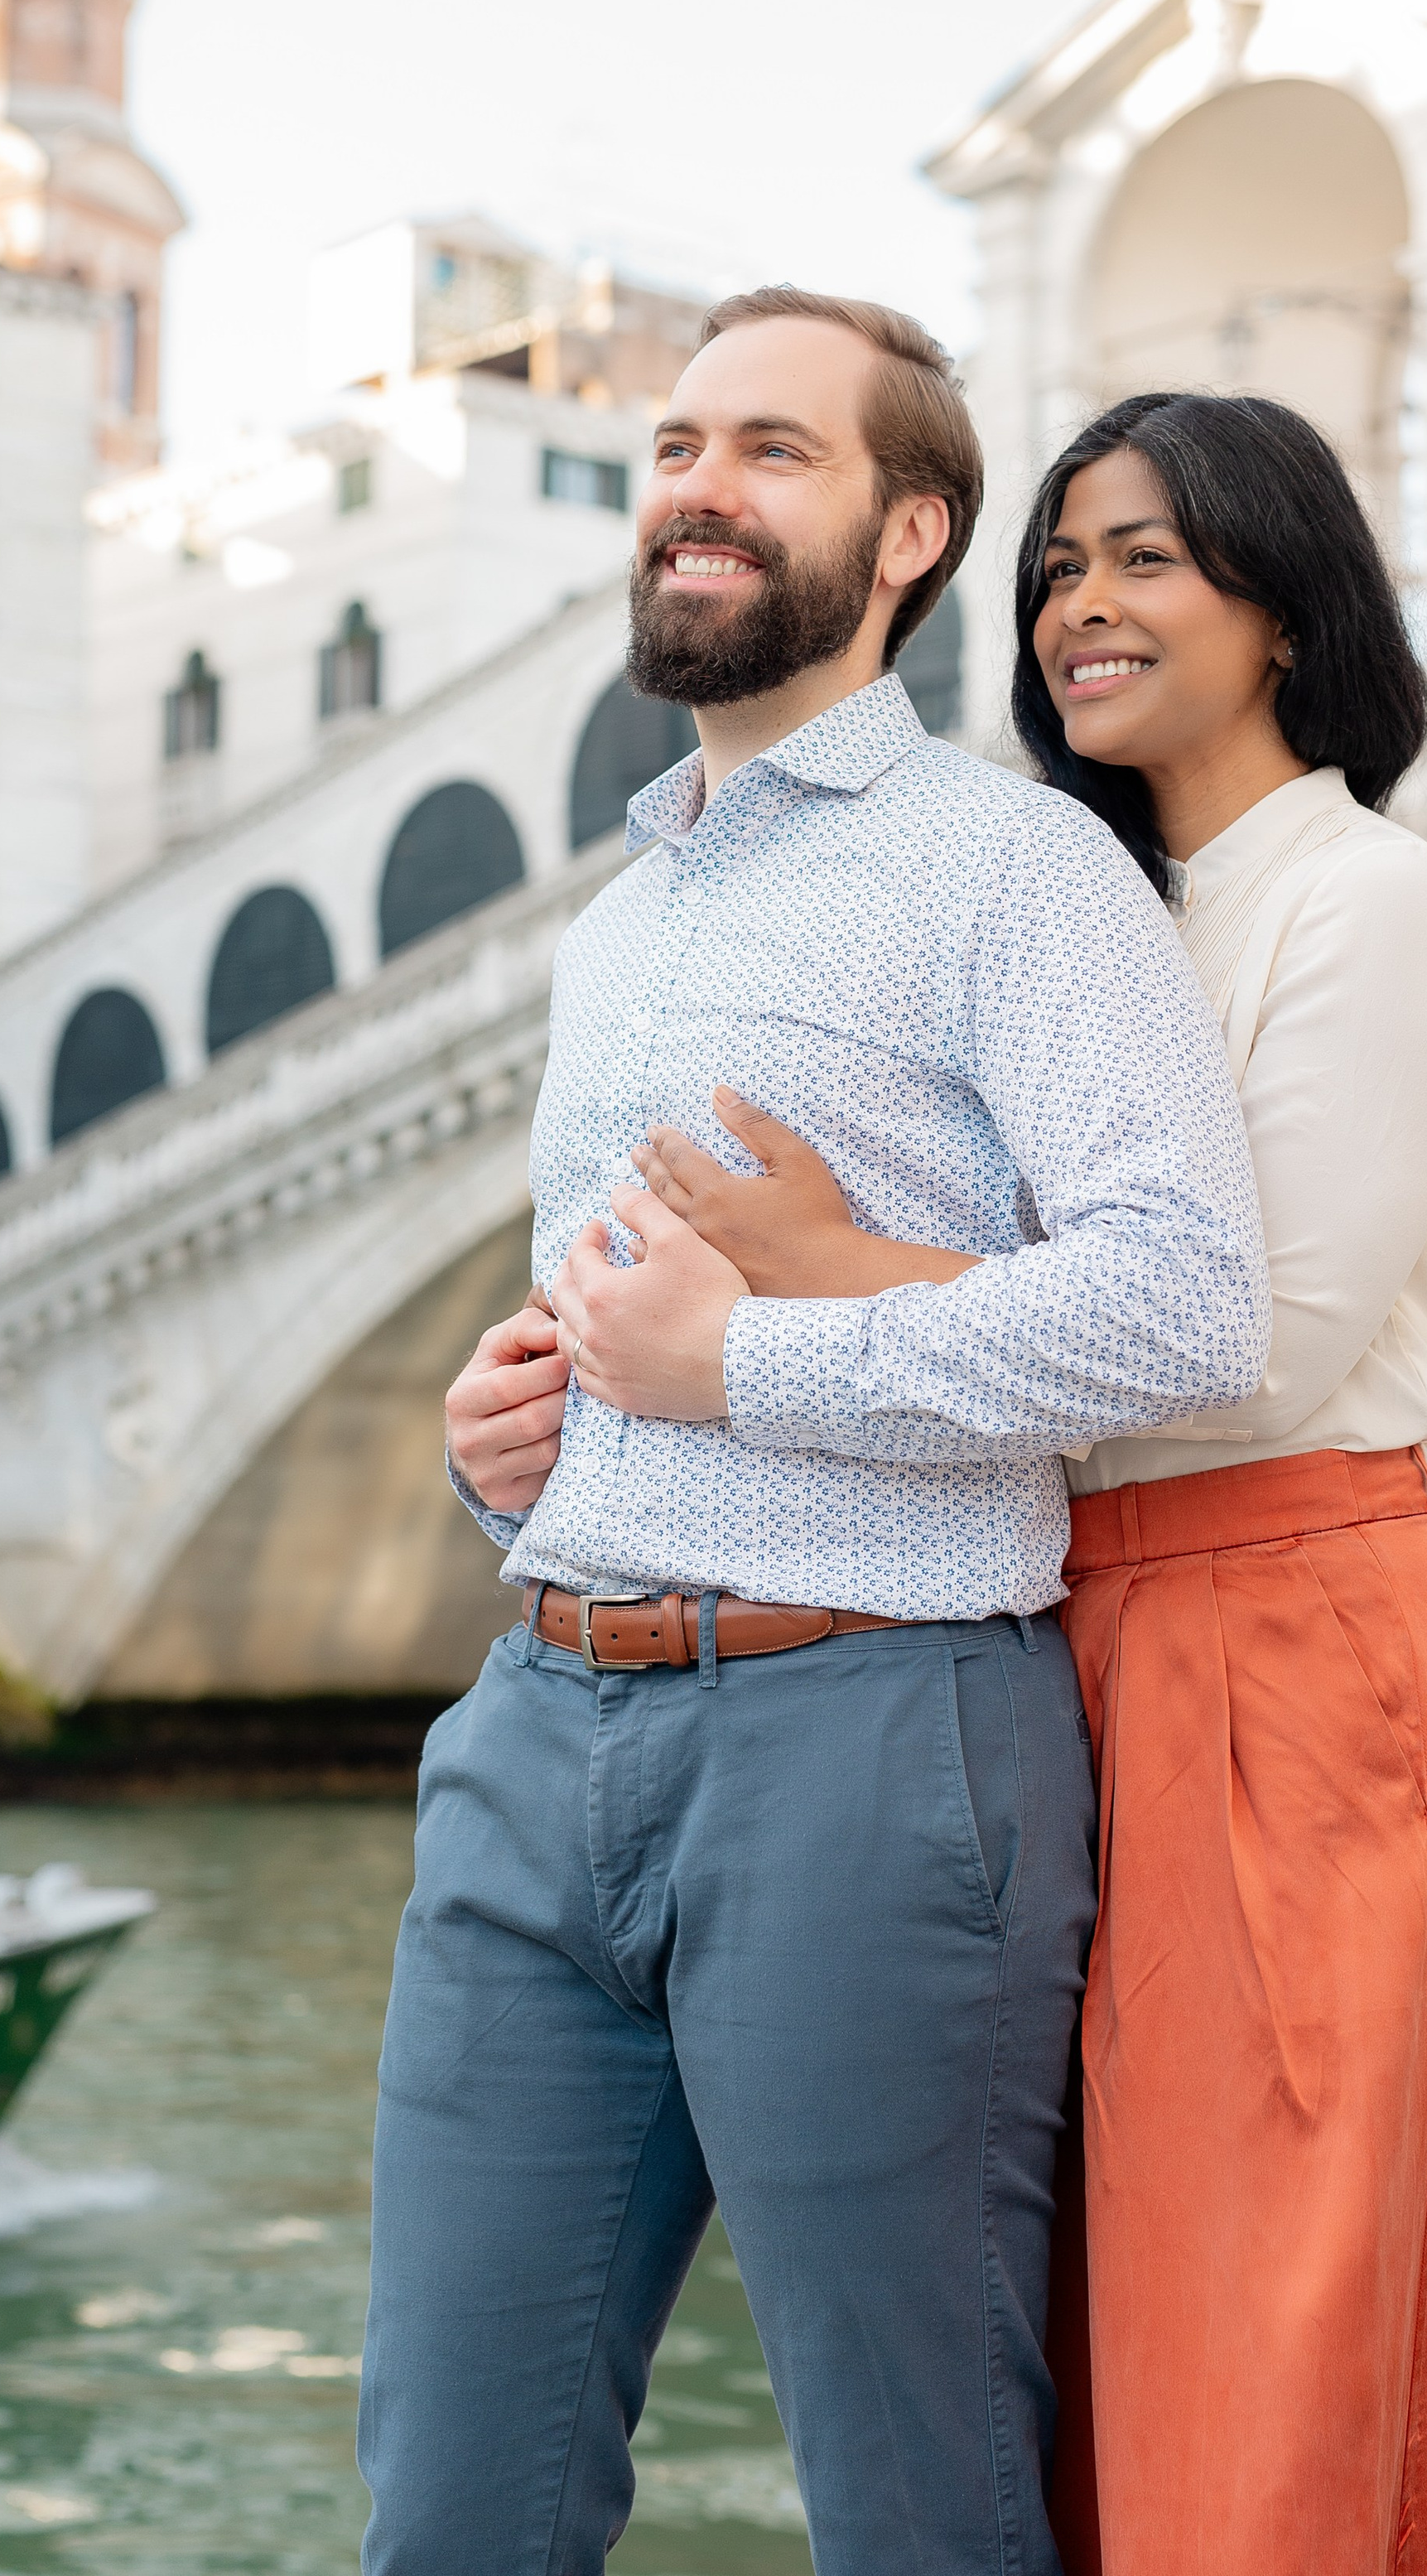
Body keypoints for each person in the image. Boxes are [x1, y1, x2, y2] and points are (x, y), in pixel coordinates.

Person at [624, 390, 1427, 2576]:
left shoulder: (1373, 901)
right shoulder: (1085, 913)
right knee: (1095, 2292)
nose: (1080, 604)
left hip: (1295, 1643)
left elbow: (1250, 1344)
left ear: (1286, 596)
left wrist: (809, 1289)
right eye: (1057, 567)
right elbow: (1051, 1321)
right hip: (1074, 1640)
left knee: (1288, 2269)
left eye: (1147, 556)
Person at [361, 300, 1270, 2576]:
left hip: (878, 1742)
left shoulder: (1022, 872)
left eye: (772, 448)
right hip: (533, 1732)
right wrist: (532, 1431)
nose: (698, 485)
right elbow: (635, 1326)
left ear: (907, 533)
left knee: (920, 2502)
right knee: (452, 2498)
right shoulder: (613, 922)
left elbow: (1185, 1300)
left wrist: (740, 1371)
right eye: (677, 443)